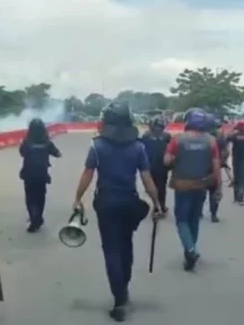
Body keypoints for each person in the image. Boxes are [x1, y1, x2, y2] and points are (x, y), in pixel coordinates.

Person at [72, 101, 160, 322]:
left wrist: (77, 198)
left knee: (111, 249)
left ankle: (119, 297)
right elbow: (147, 179)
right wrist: (157, 203)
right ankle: (124, 288)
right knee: (126, 245)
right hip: (129, 203)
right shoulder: (138, 147)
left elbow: (88, 174)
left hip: (105, 204)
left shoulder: (97, 146)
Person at [165, 108, 221, 271]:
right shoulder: (211, 141)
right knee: (194, 219)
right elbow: (216, 166)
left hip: (182, 185)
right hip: (201, 184)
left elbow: (166, 161)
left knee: (182, 219)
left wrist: (177, 158)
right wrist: (218, 188)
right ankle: (191, 249)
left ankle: (190, 250)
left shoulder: (177, 140)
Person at [19, 118, 61, 232]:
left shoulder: (26, 142)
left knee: (30, 196)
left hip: (28, 174)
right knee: (40, 196)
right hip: (42, 175)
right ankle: (39, 217)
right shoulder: (47, 143)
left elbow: (21, 153)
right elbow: (58, 154)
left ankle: (34, 217)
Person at [140, 116, 172, 216]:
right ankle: (161, 205)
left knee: (151, 187)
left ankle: (157, 205)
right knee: (161, 187)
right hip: (161, 166)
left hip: (149, 166)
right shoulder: (167, 136)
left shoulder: (146, 136)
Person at [206, 114, 229, 222]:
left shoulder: (201, 136)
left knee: (199, 190)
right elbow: (226, 152)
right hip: (215, 167)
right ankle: (213, 214)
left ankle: (198, 212)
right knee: (214, 191)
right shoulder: (220, 137)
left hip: (201, 167)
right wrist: (222, 162)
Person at [227, 120, 244, 205]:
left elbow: (227, 138)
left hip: (236, 159)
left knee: (237, 179)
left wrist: (233, 129)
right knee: (243, 180)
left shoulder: (235, 135)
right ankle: (240, 199)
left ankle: (236, 198)